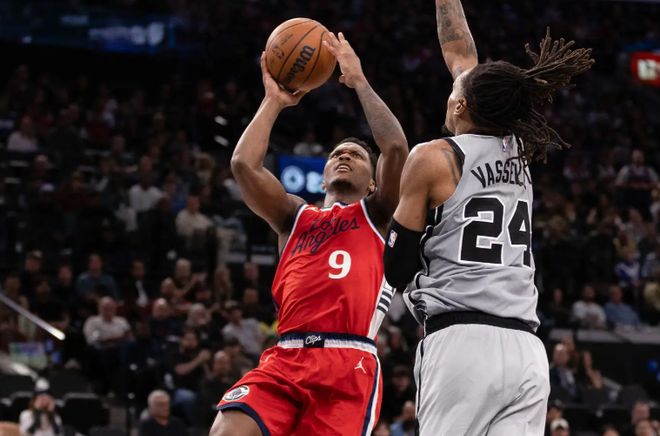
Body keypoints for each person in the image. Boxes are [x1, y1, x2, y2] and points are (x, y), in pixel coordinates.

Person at [382, 0, 593, 434]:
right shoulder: (519, 147)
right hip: (525, 349)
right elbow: (461, 56)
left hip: (461, 343)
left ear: (460, 106)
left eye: (454, 93)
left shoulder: (434, 157)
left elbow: (397, 267)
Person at [211, 32, 408, 436]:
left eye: (356, 155)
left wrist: (359, 82)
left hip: (346, 361)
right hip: (285, 355)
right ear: (322, 176)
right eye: (337, 154)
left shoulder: (378, 214)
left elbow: (396, 150)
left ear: (373, 182)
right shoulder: (294, 216)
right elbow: (243, 165)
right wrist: (274, 101)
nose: (345, 156)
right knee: (226, 430)